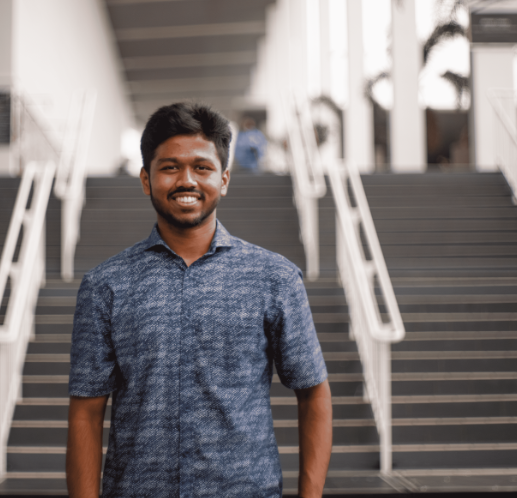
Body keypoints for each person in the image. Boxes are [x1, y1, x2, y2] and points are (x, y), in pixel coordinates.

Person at [66, 102, 332, 498]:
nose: (186, 180)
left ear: (224, 179)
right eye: (170, 167)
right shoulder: (106, 286)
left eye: (202, 167)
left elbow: (313, 391)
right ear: (145, 179)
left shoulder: (275, 279)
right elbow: (86, 412)